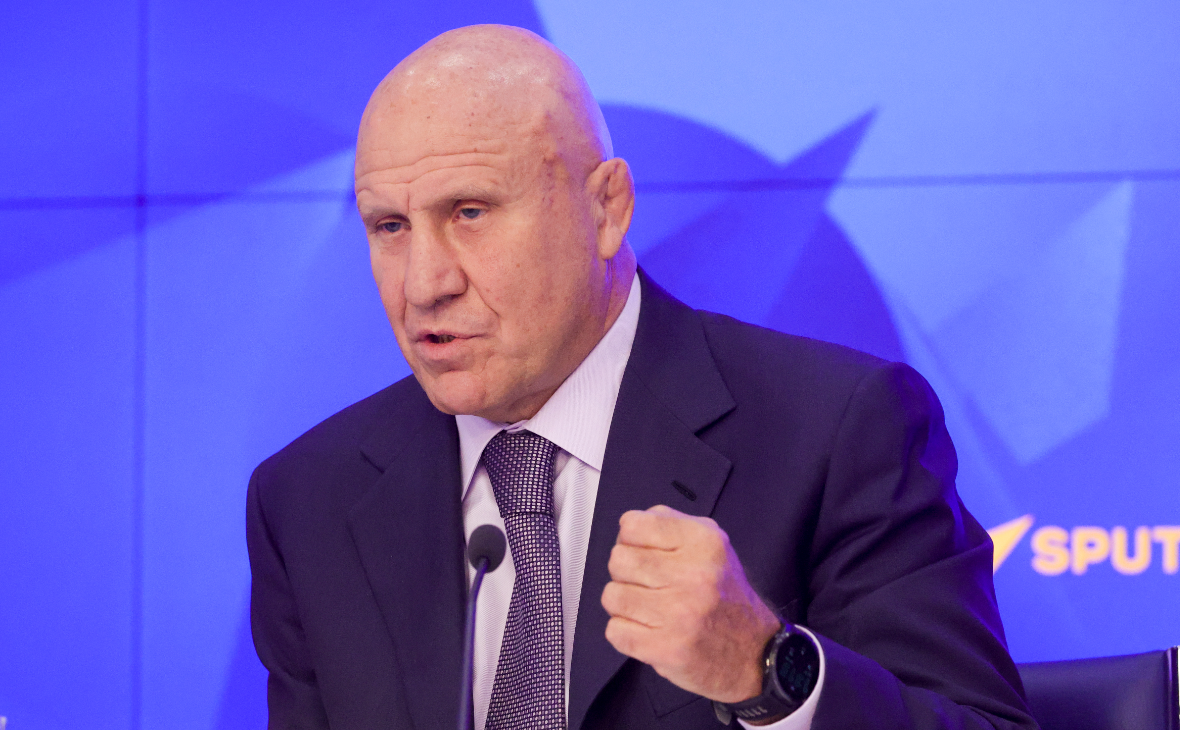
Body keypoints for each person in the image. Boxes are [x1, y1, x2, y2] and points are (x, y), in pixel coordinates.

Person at [246, 24, 1037, 730]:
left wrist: (767, 672)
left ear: (607, 209)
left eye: (470, 212)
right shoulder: (308, 501)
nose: (424, 283)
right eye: (389, 226)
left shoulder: (836, 432)